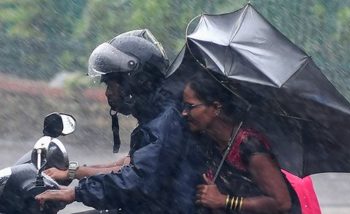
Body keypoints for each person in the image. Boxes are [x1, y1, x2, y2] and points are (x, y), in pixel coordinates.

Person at [35, 29, 205, 214]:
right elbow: (127, 166)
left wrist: (75, 193)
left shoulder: (166, 122)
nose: (108, 93)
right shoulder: (155, 116)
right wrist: (73, 173)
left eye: (111, 84)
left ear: (135, 81)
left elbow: (137, 180)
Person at [181, 71, 301, 213]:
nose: (184, 113)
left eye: (191, 106)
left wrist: (223, 200)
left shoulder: (249, 146)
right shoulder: (210, 142)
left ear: (215, 108)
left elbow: (282, 203)